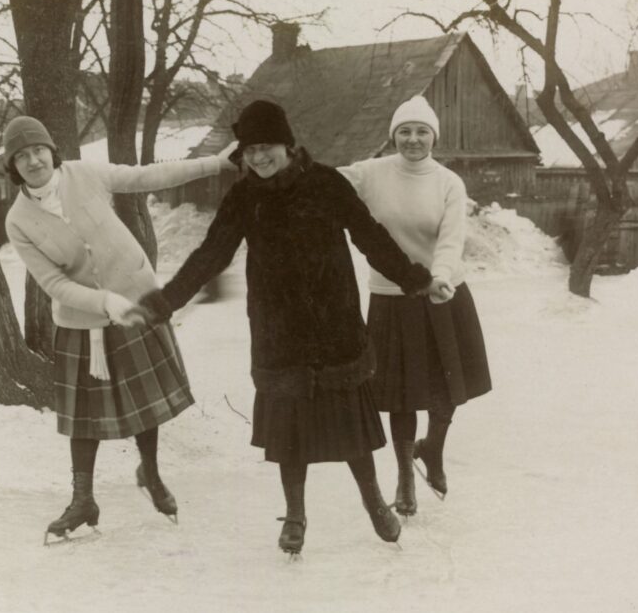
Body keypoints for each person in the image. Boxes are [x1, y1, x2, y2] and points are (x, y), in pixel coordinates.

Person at [137, 100, 450, 556]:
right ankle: (296, 515)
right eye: (250, 151)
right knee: (290, 434)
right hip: (277, 328)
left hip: (334, 324)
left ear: (287, 144)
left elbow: (370, 235)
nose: (259, 158)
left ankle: (374, 501)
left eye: (266, 147)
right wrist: (167, 300)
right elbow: (213, 252)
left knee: (351, 430)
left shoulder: (326, 183)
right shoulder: (245, 196)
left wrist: (414, 279)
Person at [1, 116, 236, 543]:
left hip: (137, 299)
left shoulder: (84, 173)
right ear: (12, 166)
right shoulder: (18, 221)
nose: (33, 160)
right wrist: (102, 302)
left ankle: (150, 470)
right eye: (21, 156)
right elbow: (53, 283)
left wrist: (214, 164)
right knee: (83, 419)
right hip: (83, 321)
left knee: (145, 401)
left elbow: (148, 176)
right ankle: (83, 499)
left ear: (52, 151)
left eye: (38, 150)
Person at [338, 95, 492, 516]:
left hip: (442, 292)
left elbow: (451, 239)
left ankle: (433, 449)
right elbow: (323, 184)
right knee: (402, 396)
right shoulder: (370, 173)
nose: (412, 139)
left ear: (433, 137)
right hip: (392, 298)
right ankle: (405, 478)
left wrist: (439, 276)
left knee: (447, 392)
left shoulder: (448, 182)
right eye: (404, 131)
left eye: (421, 131)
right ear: (393, 136)